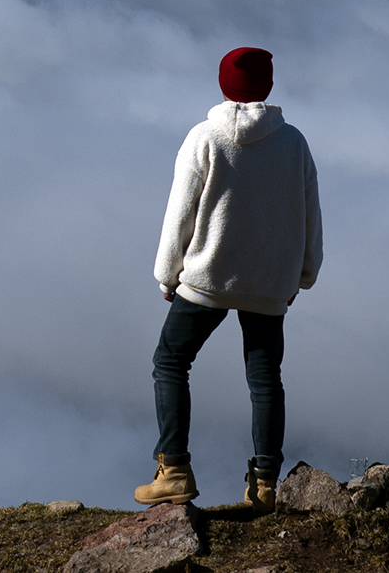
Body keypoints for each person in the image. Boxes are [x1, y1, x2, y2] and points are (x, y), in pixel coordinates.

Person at [133, 46, 322, 509]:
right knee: (264, 378)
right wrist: (303, 275)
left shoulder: (205, 137)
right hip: (270, 283)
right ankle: (264, 484)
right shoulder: (293, 142)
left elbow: (180, 213)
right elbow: (310, 213)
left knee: (171, 361)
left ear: (223, 85)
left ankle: (173, 468)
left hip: (207, 278)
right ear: (268, 87)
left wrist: (167, 274)